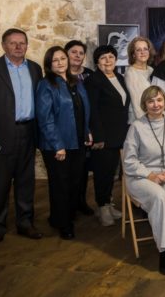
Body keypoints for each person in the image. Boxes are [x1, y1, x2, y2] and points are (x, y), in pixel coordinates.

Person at [0, 28, 44, 251]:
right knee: (1, 183)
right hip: (0, 135)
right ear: (3, 45)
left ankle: (25, 223)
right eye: (13, 43)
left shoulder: (35, 68)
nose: (18, 47)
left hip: (28, 132)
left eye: (22, 43)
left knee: (26, 181)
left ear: (27, 45)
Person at [122, 86, 165, 275]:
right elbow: (129, 161)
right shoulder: (136, 127)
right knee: (159, 197)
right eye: (151, 101)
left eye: (159, 100)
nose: (156, 104)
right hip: (141, 176)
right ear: (145, 104)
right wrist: (150, 175)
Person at [36, 46, 91, 239]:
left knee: (75, 182)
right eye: (55, 60)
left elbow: (83, 109)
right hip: (57, 145)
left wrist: (87, 131)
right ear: (49, 64)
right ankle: (63, 223)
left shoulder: (76, 81)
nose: (60, 63)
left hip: (78, 141)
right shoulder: (46, 85)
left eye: (62, 58)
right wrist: (57, 145)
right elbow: (45, 119)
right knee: (60, 184)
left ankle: (63, 215)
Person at [84, 45, 130, 227]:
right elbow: (93, 111)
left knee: (111, 172)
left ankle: (109, 204)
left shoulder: (119, 77)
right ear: (97, 62)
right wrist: (98, 137)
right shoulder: (93, 81)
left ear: (116, 59)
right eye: (103, 58)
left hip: (119, 135)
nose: (108, 61)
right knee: (102, 172)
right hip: (103, 137)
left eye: (111, 57)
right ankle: (102, 207)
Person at [64, 40, 95, 216]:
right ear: (66, 54)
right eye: (73, 52)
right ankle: (68, 206)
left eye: (81, 53)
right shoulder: (61, 75)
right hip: (68, 130)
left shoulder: (90, 75)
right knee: (68, 171)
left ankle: (81, 201)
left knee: (83, 169)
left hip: (87, 129)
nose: (77, 55)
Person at [124, 36, 156, 123]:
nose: (143, 52)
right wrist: (147, 123)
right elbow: (137, 104)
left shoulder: (151, 70)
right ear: (133, 54)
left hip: (153, 117)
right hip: (141, 120)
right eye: (138, 50)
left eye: (145, 49)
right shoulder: (131, 73)